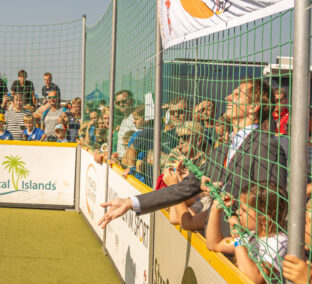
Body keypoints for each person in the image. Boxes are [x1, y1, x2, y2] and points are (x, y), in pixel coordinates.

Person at [99, 79, 287, 228]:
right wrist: (130, 203)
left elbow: (269, 206)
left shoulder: (266, 146)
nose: (229, 97)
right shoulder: (223, 148)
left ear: (253, 107)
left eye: (237, 95)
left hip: (241, 251)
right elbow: (185, 188)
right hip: (216, 239)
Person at [205, 183, 288, 284]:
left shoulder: (279, 241)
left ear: (264, 219)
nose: (238, 212)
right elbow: (214, 244)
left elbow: (254, 279)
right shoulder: (252, 235)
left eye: (243, 210)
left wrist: (238, 238)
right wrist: (216, 209)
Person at [113, 90, 137, 155]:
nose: (121, 104)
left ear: (132, 101)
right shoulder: (124, 119)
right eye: (118, 103)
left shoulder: (136, 119)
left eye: (124, 101)